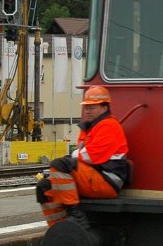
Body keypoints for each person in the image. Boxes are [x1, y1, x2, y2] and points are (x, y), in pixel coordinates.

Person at [36, 85, 129, 226]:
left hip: (107, 180)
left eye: (92, 108)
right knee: (44, 187)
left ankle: (76, 216)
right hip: (92, 176)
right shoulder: (90, 127)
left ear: (105, 107)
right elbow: (80, 154)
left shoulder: (109, 126)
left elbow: (90, 156)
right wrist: (76, 155)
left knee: (60, 164)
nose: (88, 111)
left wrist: (74, 155)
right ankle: (58, 227)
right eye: (86, 107)